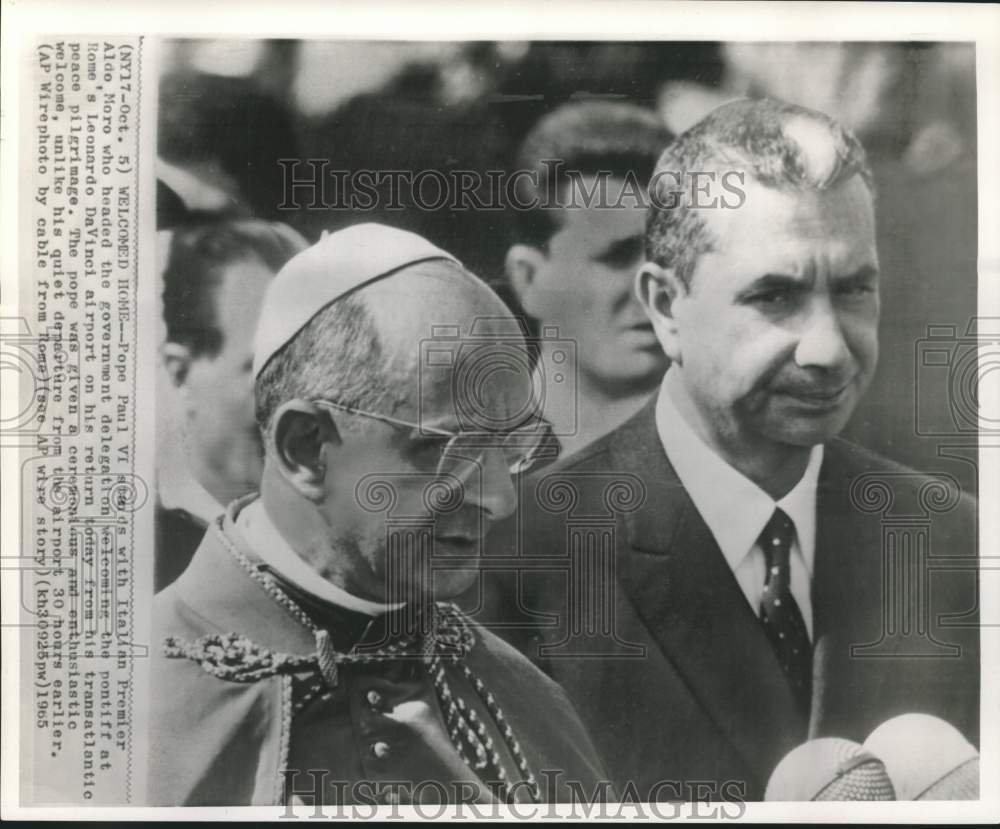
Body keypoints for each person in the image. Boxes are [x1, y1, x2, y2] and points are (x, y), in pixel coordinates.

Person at [476, 99, 979, 801]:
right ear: (665, 305)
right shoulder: (518, 563)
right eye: (775, 295)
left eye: (855, 289)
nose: (829, 349)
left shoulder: (956, 542)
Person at [148, 224, 610, 807]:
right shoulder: (121, 698)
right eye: (450, 452)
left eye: (512, 448)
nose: (499, 499)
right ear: (306, 448)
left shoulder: (523, 694)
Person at [503, 102, 673, 457]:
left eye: (669, 256)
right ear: (528, 279)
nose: (654, 288)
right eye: (616, 257)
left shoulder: (738, 466)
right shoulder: (474, 470)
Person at [157, 219, 308, 591]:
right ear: (180, 373)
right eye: (269, 368)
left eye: (318, 366)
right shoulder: (141, 554)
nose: (305, 400)